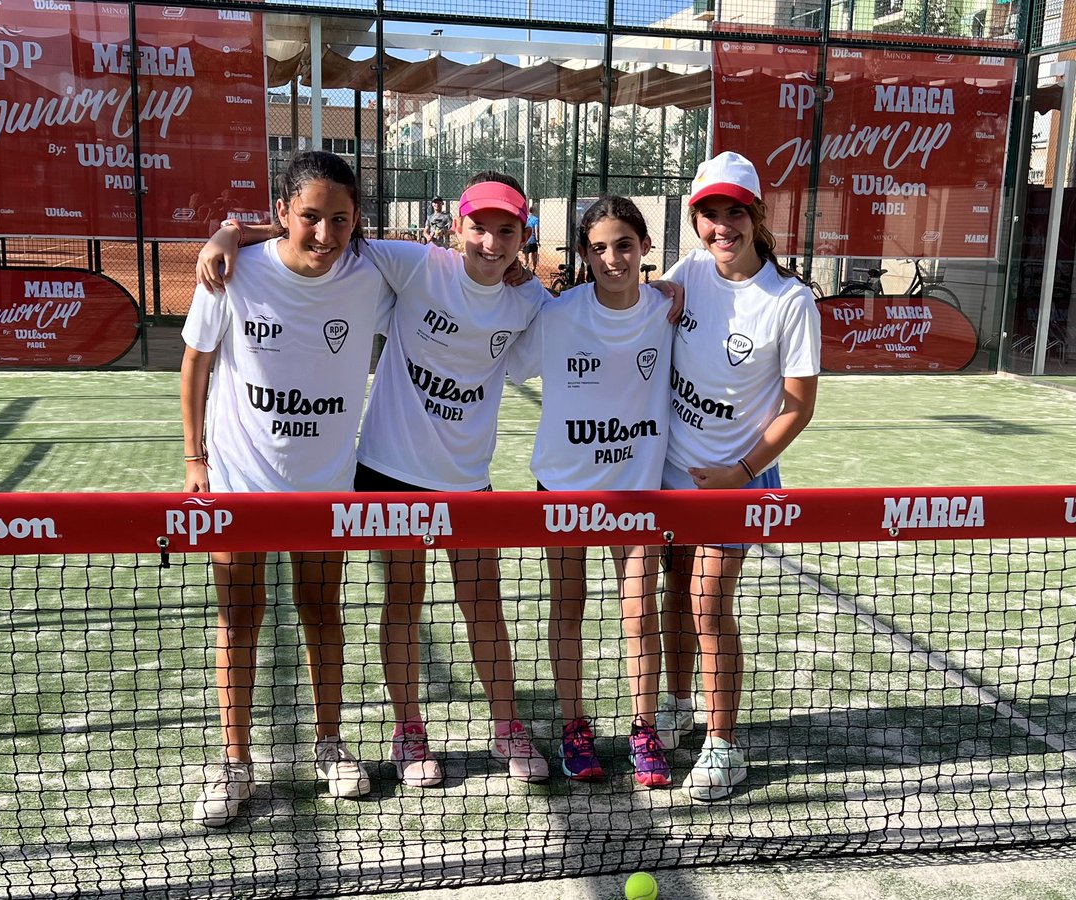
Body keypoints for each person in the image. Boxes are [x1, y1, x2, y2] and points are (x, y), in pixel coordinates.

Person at [197, 172, 553, 787]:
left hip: (468, 481)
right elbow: (322, 230)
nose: (491, 243)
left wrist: (660, 295)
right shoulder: (412, 264)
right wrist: (232, 231)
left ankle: (507, 727)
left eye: (507, 231)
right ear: (456, 228)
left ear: (524, 237)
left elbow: (588, 315)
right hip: (389, 472)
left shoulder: (531, 301)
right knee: (402, 602)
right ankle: (408, 732)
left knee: (484, 605)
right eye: (479, 227)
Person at [181, 151, 395, 827]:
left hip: (325, 489)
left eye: (341, 219)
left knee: (321, 611)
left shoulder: (371, 276)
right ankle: (235, 762)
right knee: (239, 618)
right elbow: (195, 363)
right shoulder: (233, 272)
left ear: (357, 220)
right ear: (282, 213)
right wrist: (195, 457)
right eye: (310, 217)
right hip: (238, 485)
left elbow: (454, 274)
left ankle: (330, 745)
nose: (325, 234)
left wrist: (512, 269)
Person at [656, 151, 821, 801]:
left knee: (708, 603)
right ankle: (676, 706)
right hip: (671, 474)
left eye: (734, 212)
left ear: (756, 215)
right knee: (675, 594)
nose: (721, 226)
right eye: (709, 214)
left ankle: (723, 746)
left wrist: (740, 471)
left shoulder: (790, 300)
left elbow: (798, 407)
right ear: (695, 220)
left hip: (738, 482)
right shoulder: (689, 272)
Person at [506, 196, 674, 787]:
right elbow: (506, 362)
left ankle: (645, 731)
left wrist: (674, 289)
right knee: (568, 606)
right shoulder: (558, 316)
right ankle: (574, 729)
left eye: (624, 245)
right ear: (583, 253)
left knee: (639, 611)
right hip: (565, 488)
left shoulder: (668, 309)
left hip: (638, 492)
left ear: (645, 247)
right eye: (599, 248)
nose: (612, 259)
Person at [522, 204, 540, 272]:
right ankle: (533, 269)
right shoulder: (535, 219)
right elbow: (536, 230)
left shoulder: (525, 219)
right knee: (534, 256)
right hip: (533, 240)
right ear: (534, 211)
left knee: (525, 256)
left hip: (526, 240)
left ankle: (525, 268)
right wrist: (537, 240)